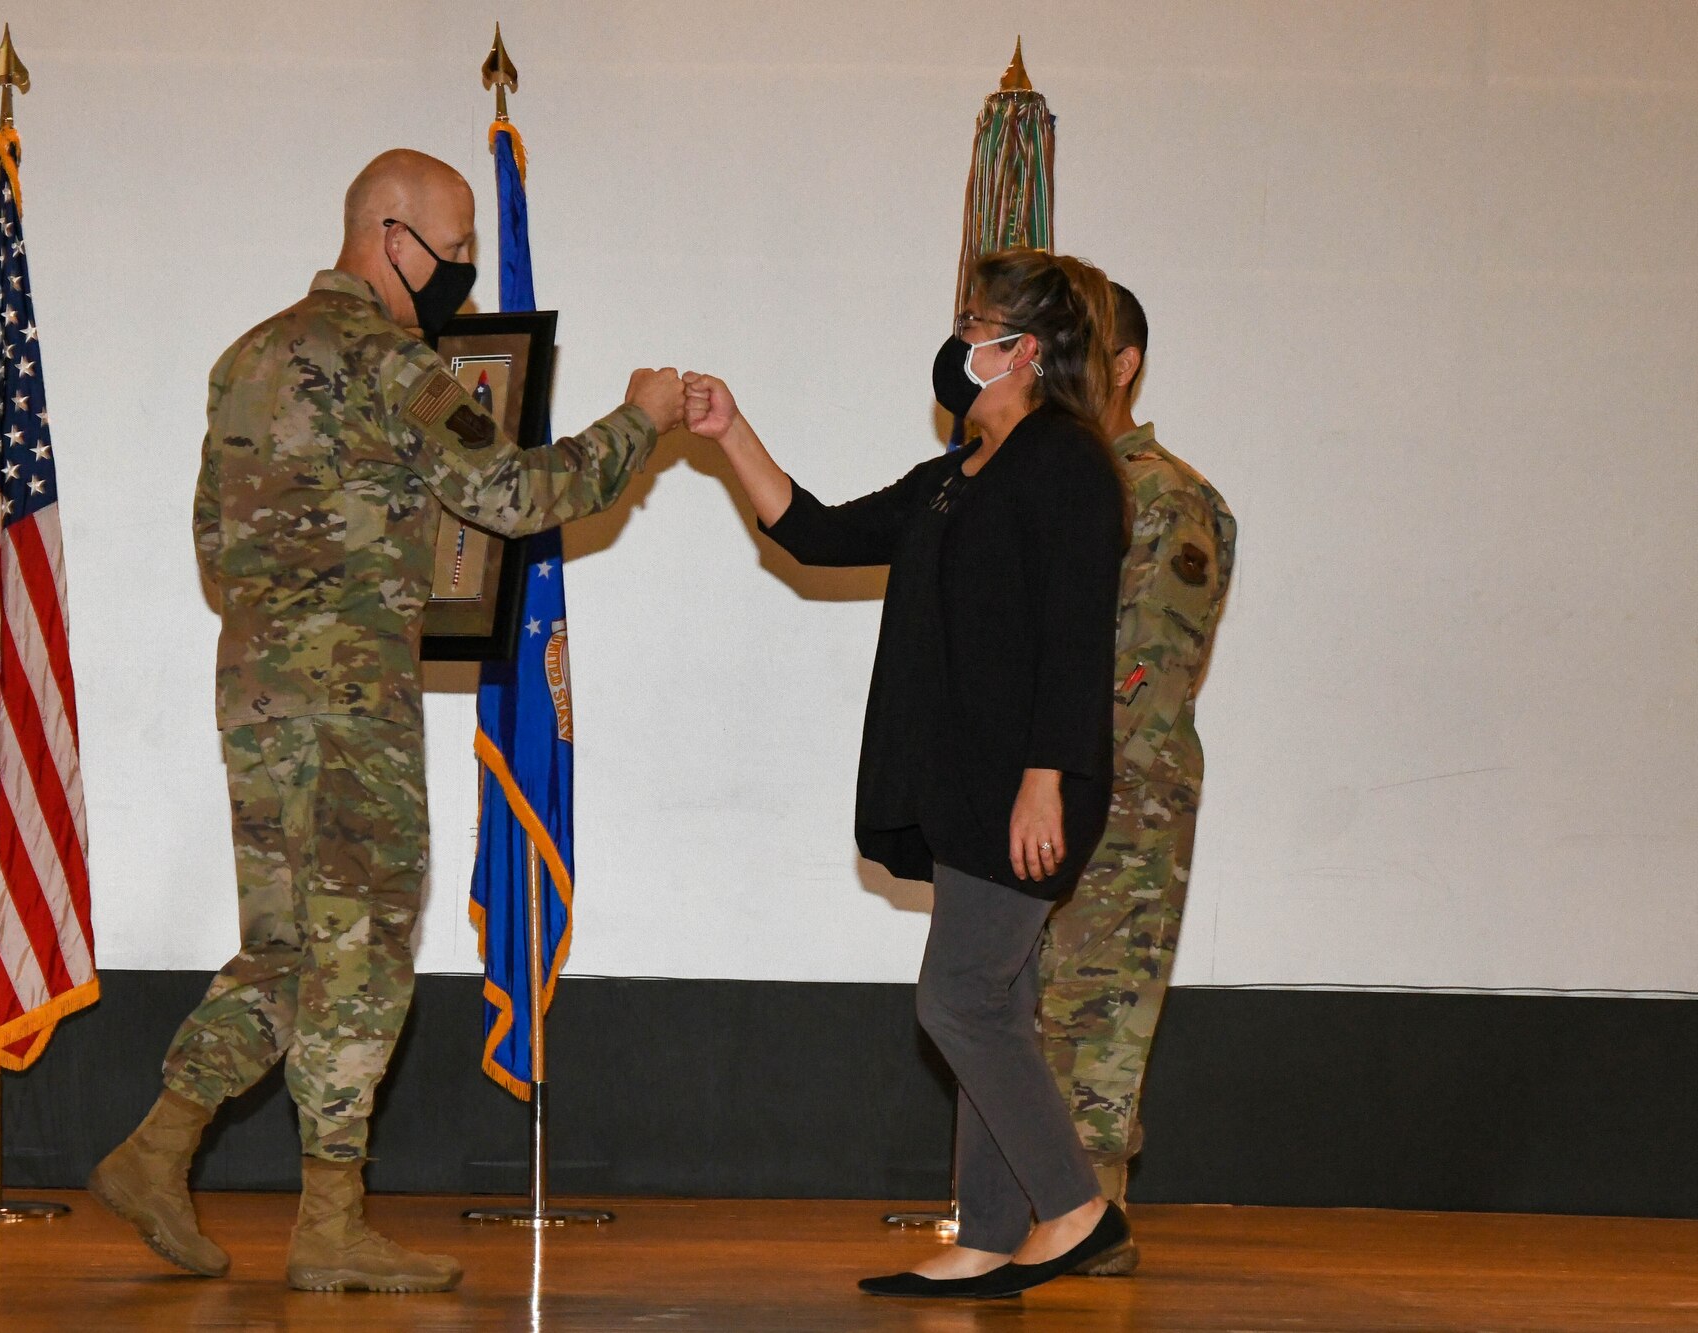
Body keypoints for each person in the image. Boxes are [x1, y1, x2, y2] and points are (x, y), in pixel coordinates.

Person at [87, 148, 686, 1295]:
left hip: (256, 693)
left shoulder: (246, 358)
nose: (459, 272)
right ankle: (329, 1223)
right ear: (388, 233)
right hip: (352, 701)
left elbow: (216, 549)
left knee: (288, 948)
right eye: (452, 251)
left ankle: (158, 1148)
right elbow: (515, 496)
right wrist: (640, 419)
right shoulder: (388, 360)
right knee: (359, 952)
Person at [684, 249, 1135, 1300]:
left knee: (958, 1000)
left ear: (1021, 349)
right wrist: (728, 433)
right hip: (959, 782)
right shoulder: (952, 478)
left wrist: (1045, 778)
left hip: (1021, 785)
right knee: (994, 1004)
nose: (956, 339)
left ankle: (1072, 1208)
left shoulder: (1064, 463)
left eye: (974, 322)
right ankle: (985, 1230)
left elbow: (1075, 641)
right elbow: (816, 532)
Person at [1037, 284, 1237, 1254]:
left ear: (1121, 367)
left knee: (1091, 1018)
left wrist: (1060, 776)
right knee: (1027, 1013)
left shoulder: (1164, 497)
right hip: (1042, 790)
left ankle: (1091, 1222)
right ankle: (1038, 1216)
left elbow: (1143, 674)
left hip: (1118, 800)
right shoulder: (1048, 481)